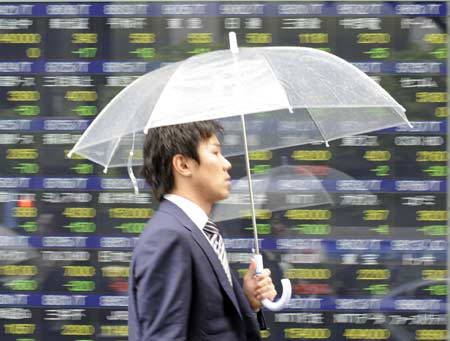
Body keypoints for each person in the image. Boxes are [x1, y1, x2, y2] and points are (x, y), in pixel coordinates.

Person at [128, 120, 277, 340]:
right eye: (215, 152)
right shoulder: (168, 237)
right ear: (183, 165)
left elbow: (205, 323)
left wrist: (246, 300)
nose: (226, 164)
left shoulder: (195, 231)